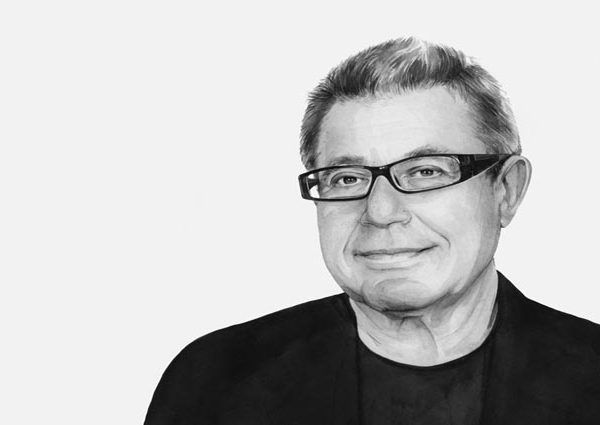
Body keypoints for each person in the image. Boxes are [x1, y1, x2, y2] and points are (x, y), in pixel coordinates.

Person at [144, 37, 600, 424]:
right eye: (347, 179)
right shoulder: (215, 381)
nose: (380, 211)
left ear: (506, 190)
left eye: (425, 171)